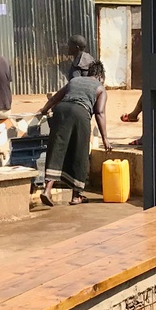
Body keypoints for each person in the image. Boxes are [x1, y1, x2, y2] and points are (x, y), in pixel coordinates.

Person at [37, 60, 110, 206]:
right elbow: (99, 112)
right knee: (80, 153)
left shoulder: (74, 80)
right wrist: (105, 138)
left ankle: (47, 190)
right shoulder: (100, 88)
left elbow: (54, 98)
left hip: (61, 111)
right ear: (101, 77)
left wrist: (43, 111)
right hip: (80, 113)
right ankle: (76, 196)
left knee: (56, 149)